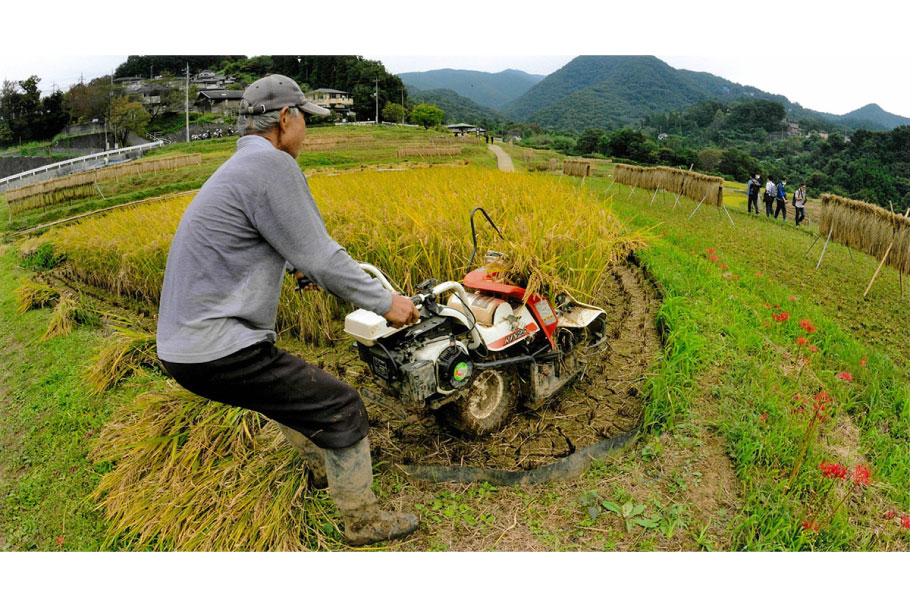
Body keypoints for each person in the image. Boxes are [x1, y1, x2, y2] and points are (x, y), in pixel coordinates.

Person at [155, 74, 420, 547]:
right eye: (305, 120)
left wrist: (299, 266)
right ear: (284, 118)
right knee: (341, 407)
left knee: (288, 398)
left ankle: (321, 473)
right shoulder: (273, 167)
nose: (307, 132)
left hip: (183, 347)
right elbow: (323, 256)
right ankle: (362, 522)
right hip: (217, 345)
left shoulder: (239, 166)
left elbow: (266, 247)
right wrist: (388, 303)